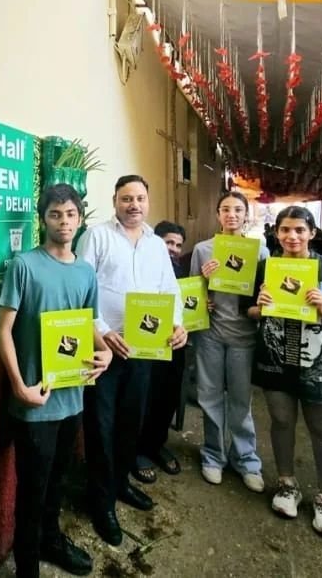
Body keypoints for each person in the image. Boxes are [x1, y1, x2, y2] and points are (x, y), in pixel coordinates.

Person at [0, 184, 113, 577]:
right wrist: (18, 386)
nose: (64, 222)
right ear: (42, 219)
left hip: (72, 398)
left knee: (57, 483)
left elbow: (89, 323)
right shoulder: (24, 265)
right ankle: (27, 566)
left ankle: (51, 540)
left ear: (81, 219)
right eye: (55, 215)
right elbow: (4, 331)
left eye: (71, 215)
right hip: (35, 401)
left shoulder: (84, 271)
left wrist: (107, 350)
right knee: (32, 490)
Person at [75, 175, 187, 547]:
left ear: (148, 201)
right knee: (101, 426)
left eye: (140, 197)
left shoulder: (156, 244)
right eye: (126, 199)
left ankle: (121, 483)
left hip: (144, 348)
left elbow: (169, 289)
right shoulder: (97, 236)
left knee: (130, 422)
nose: (134, 205)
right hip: (104, 350)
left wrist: (178, 324)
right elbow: (81, 288)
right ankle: (101, 502)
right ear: (115, 201)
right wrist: (103, 332)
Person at [247, 205, 322, 539]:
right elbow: (251, 312)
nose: (292, 236)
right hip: (276, 361)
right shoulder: (265, 268)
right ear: (277, 233)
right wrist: (261, 305)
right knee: (282, 422)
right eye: (285, 230)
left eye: (300, 230)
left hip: (321, 368)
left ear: (312, 233)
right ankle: (287, 484)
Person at [189, 191, 271, 491]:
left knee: (240, 400)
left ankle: (247, 459)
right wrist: (203, 282)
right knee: (209, 396)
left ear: (246, 215)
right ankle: (213, 455)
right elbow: (192, 296)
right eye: (225, 209)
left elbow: (267, 297)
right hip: (210, 334)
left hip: (244, 337)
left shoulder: (260, 252)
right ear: (218, 214)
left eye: (238, 209)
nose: (231, 215)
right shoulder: (202, 250)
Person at [132, 220, 188, 484]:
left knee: (167, 397)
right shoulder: (144, 263)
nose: (173, 249)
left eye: (178, 245)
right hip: (145, 341)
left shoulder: (185, 270)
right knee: (145, 397)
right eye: (169, 242)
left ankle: (157, 443)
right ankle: (138, 450)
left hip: (173, 341)